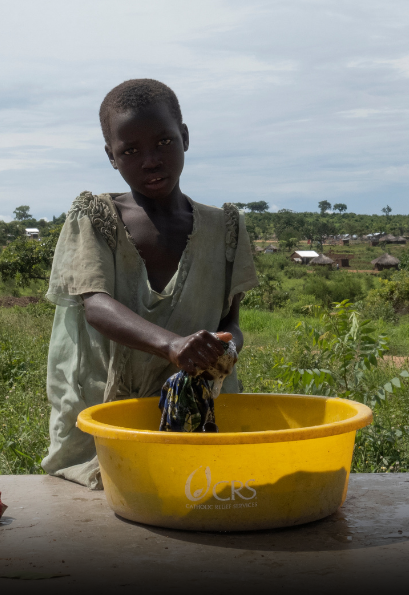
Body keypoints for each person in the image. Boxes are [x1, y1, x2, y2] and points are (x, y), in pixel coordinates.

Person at [41, 79, 259, 489]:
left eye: (163, 142)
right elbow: (96, 304)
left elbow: (232, 320)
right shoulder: (96, 217)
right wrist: (172, 345)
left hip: (197, 410)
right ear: (112, 157)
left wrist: (220, 347)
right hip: (108, 407)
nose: (151, 161)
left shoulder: (225, 227)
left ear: (185, 138)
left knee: (195, 495)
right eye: (131, 151)